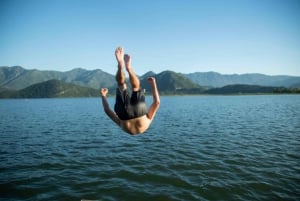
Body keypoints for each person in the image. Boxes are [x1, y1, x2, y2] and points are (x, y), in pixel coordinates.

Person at [100, 47, 160, 135]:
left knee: (136, 87)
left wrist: (153, 84)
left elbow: (157, 103)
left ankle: (128, 68)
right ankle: (121, 65)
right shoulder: (121, 126)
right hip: (124, 117)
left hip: (141, 112)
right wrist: (103, 96)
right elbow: (107, 110)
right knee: (121, 85)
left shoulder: (147, 124)